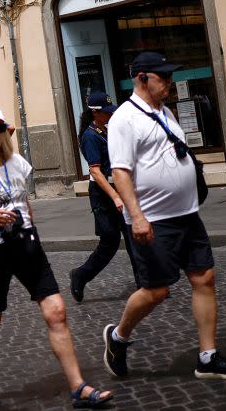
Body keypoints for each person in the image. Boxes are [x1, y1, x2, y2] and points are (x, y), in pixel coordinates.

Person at [0, 105, 113, 409]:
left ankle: (78, 386)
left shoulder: (17, 163)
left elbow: (24, 204)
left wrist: (29, 228)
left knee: (56, 311)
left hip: (28, 246)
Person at [102, 51, 226, 381]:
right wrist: (137, 216)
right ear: (142, 78)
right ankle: (118, 337)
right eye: (164, 77)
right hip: (154, 219)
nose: (170, 82)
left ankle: (207, 356)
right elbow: (120, 171)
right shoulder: (123, 119)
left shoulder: (166, 111)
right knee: (156, 291)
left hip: (187, 214)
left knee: (205, 278)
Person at [69, 92, 127, 302]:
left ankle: (147, 283)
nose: (110, 114)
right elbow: (95, 171)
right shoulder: (90, 136)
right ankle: (81, 274)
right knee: (110, 240)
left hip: (119, 188)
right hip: (103, 194)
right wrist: (115, 197)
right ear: (95, 113)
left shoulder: (106, 129)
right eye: (106, 112)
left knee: (132, 238)